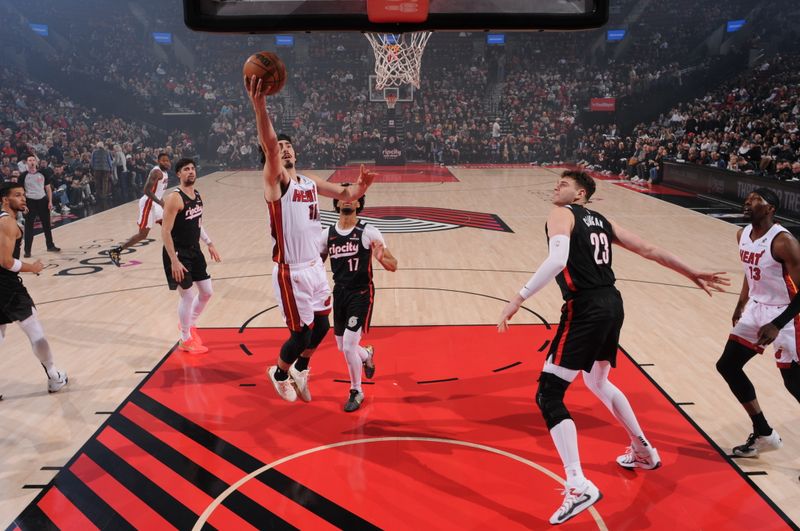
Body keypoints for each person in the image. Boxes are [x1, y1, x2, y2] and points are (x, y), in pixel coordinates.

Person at [497, 170, 729, 525]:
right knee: (597, 381)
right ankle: (643, 450)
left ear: (580, 195)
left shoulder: (562, 214)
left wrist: (518, 298)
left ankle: (578, 484)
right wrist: (691, 271)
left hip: (586, 307)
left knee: (549, 394)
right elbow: (649, 249)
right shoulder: (603, 221)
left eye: (565, 184)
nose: (556, 187)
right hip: (612, 303)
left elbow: (558, 261)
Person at [246, 75, 376, 403]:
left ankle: (301, 368)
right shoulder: (277, 182)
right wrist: (260, 105)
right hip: (290, 271)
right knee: (300, 333)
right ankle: (277, 373)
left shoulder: (308, 181)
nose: (285, 149)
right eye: (281, 148)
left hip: (315, 268)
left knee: (320, 328)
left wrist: (362, 187)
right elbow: (270, 143)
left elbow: (346, 192)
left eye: (289, 146)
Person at [715, 188, 800, 457]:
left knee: (794, 384)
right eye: (748, 199)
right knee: (728, 365)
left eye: (756, 200)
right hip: (756, 309)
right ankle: (764, 433)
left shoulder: (784, 242)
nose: (748, 202)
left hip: (787, 314)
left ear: (771, 209)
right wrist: (741, 303)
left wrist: (777, 323)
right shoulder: (742, 234)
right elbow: (751, 272)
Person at [320, 186, 398, 412]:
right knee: (342, 345)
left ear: (358, 203)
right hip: (340, 293)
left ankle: (357, 391)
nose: (346, 201)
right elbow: (315, 264)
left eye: (351, 197)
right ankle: (367, 355)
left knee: (347, 347)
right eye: (342, 197)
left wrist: (382, 258)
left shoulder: (369, 232)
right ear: (336, 204)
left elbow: (394, 265)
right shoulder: (327, 234)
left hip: (361, 293)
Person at [0, 183, 67, 395]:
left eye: (24, 195)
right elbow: (6, 262)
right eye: (17, 195)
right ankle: (54, 377)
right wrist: (32, 267)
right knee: (35, 331)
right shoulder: (8, 223)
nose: (23, 198)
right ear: (4, 200)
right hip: (7, 287)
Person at [161, 158, 220, 354]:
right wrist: (174, 261)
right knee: (187, 296)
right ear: (178, 174)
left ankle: (189, 324)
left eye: (193, 168)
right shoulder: (174, 198)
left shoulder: (197, 195)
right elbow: (165, 232)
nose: (191, 172)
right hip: (178, 253)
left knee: (207, 292)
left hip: (194, 250)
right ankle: (185, 338)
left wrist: (209, 243)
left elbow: (198, 223)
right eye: (186, 169)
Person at [108, 153, 171, 267]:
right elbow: (146, 190)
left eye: (167, 160)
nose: (166, 162)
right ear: (158, 161)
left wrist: (161, 202)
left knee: (169, 228)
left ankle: (176, 253)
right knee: (143, 235)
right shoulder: (156, 172)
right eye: (163, 160)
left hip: (156, 204)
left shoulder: (165, 172)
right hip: (148, 204)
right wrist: (160, 202)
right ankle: (116, 251)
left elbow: (157, 191)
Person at [18, 154, 60, 257]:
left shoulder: (43, 173)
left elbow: (48, 188)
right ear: (27, 163)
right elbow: (20, 192)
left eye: (33, 160)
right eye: (29, 160)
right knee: (29, 227)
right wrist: (24, 205)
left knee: (47, 225)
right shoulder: (23, 176)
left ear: (36, 162)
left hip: (42, 200)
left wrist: (50, 201)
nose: (32, 162)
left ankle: (50, 246)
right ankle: (27, 251)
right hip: (30, 202)